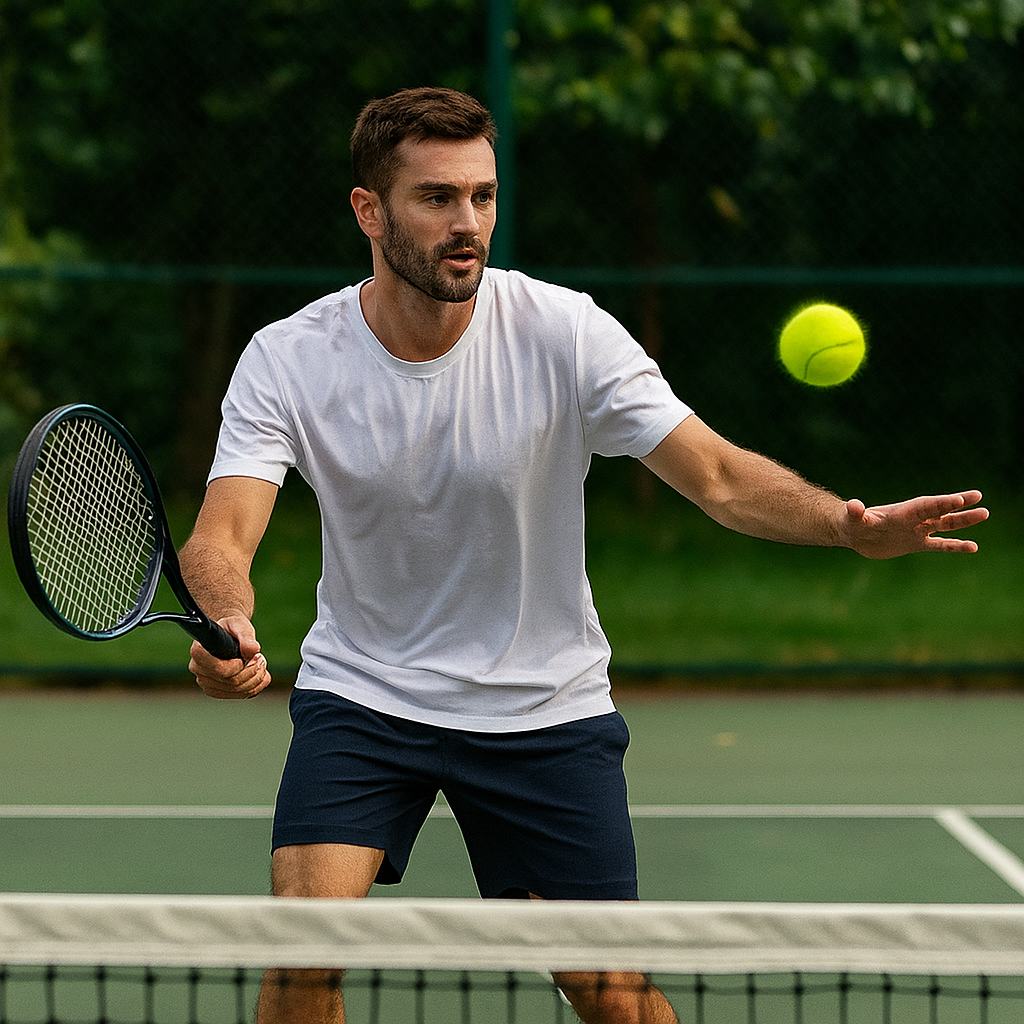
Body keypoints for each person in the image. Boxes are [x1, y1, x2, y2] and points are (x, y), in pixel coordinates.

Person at [179, 86, 988, 1024]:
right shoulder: (289, 358)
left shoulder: (563, 332)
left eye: (483, 196)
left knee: (608, 988)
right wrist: (226, 614)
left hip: (543, 703)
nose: (468, 222)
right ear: (369, 210)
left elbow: (718, 476)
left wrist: (846, 527)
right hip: (367, 695)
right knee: (301, 964)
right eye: (436, 198)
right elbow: (222, 533)